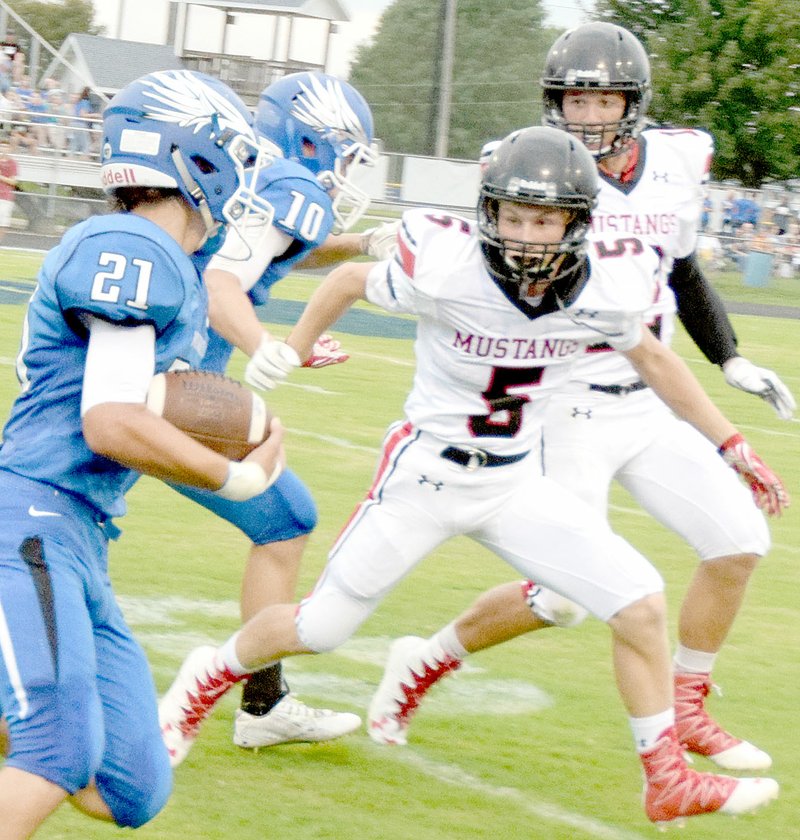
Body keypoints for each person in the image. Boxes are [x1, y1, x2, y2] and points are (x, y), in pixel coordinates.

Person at [158, 126, 785, 825]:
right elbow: (346, 278)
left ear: (578, 222)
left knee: (638, 601)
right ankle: (204, 679)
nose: (523, 235)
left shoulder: (602, 285)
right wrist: (293, 347)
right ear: (488, 212)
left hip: (514, 482)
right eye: (512, 216)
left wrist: (729, 443)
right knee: (323, 625)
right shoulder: (448, 262)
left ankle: (665, 776)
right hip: (425, 477)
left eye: (543, 220)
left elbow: (657, 362)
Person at [364, 22, 795, 770]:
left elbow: (684, 271)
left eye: (604, 101)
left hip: (646, 398)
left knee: (739, 543)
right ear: (553, 102)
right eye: (575, 98)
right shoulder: (529, 166)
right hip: (565, 401)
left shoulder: (680, 159)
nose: (588, 116)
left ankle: (689, 706)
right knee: (562, 597)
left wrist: (729, 360)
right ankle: (424, 658)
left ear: (634, 101)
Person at [0, 69, 282, 838]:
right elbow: (111, 423)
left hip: (79, 537)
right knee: (56, 746)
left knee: (130, 786)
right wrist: (233, 473)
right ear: (196, 157)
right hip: (28, 521)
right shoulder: (131, 245)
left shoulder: (166, 263)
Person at [160, 71, 397, 759]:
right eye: (349, 152)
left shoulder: (264, 176)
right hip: (170, 379)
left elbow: (275, 249)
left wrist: (359, 245)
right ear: (312, 138)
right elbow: (221, 279)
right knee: (285, 515)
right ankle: (260, 703)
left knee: (281, 517)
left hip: (164, 367)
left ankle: (264, 701)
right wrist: (261, 342)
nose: (354, 171)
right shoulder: (294, 183)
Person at [0, 138, 18, 242]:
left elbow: (13, 181)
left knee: (3, 222)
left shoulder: (12, 163)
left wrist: (1, 177)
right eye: (2, 146)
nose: (3, 149)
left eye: (6, 147)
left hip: (5, 197)